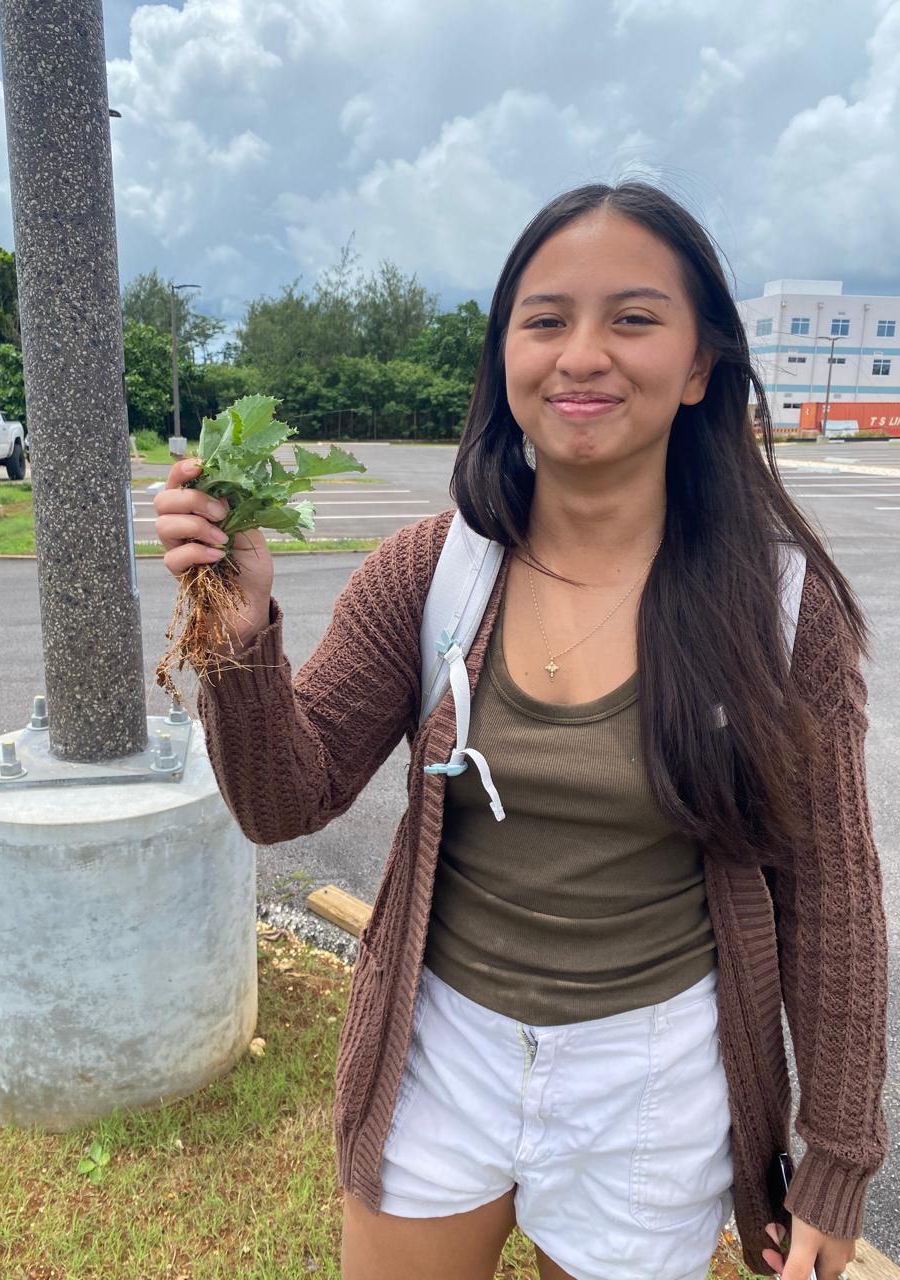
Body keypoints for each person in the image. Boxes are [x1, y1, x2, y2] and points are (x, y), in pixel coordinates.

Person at [154, 181, 888, 1280]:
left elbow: (833, 895)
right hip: (441, 1046)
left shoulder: (780, 607)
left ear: (699, 366)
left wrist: (837, 1158)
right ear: (506, 356)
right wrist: (239, 628)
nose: (582, 353)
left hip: (654, 1077)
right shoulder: (429, 571)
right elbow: (282, 801)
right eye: (544, 320)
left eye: (633, 318)